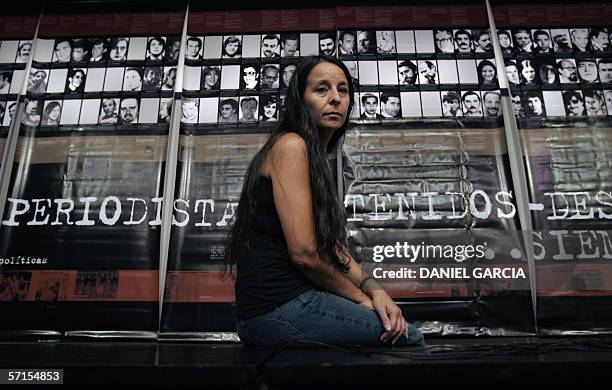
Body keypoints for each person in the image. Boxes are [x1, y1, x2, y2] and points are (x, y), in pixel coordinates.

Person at [225, 56, 424, 348]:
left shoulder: (316, 159)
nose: (335, 99)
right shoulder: (291, 146)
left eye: (343, 90)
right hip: (275, 308)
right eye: (322, 89)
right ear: (300, 100)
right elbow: (305, 254)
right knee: (409, 337)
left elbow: (332, 248)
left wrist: (375, 290)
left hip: (287, 304)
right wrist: (362, 301)